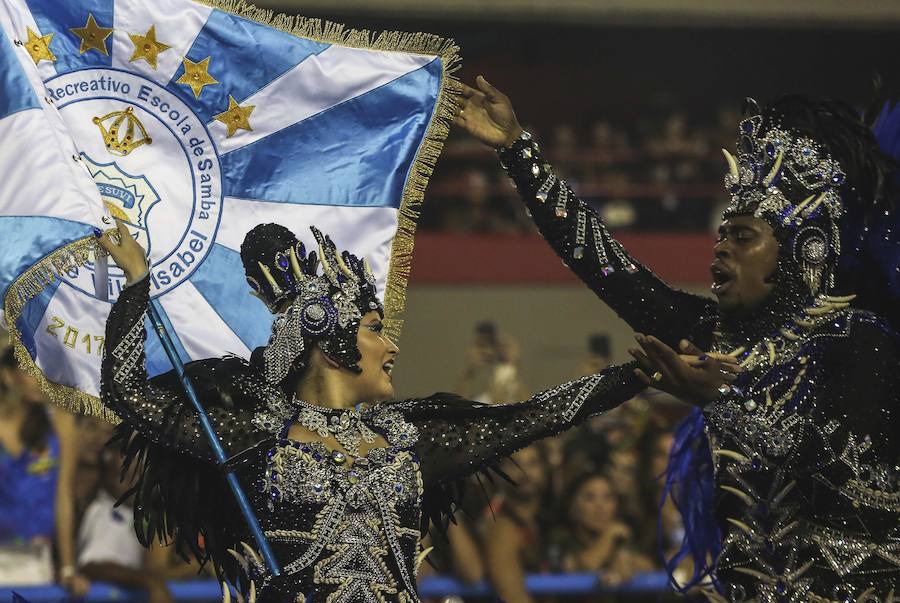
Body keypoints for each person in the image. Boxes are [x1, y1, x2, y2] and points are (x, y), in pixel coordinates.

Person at [95, 220, 706, 602]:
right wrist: (136, 285)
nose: (390, 346)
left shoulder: (407, 438)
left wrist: (640, 375)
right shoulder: (256, 437)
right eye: (372, 329)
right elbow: (128, 394)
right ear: (330, 342)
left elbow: (534, 416)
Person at [455, 76, 900, 599]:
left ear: (808, 248)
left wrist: (724, 400)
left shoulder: (859, 339)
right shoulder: (712, 333)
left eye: (741, 236)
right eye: (720, 234)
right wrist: (517, 150)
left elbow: (843, 461)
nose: (719, 250)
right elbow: (606, 266)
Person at [0, 346, 86, 594]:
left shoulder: (60, 422)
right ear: (7, 375)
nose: (40, 379)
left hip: (36, 561)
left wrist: (68, 567)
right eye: (29, 370)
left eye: (45, 371)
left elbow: (63, 496)